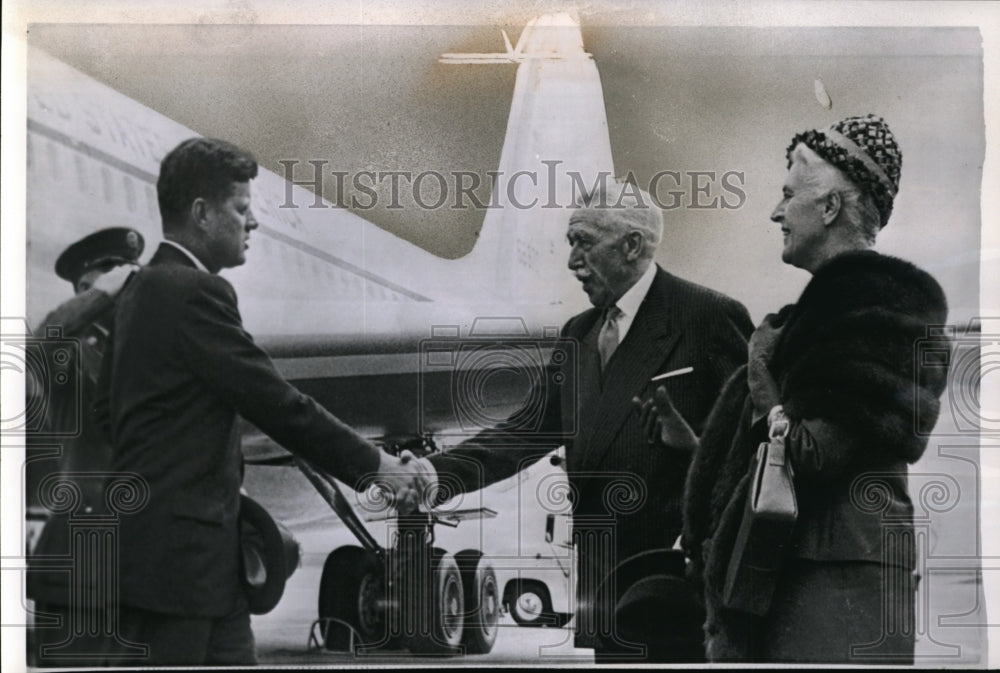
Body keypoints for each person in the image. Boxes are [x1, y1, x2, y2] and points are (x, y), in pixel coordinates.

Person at [97, 137, 420, 666]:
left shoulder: (137, 293)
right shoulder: (196, 293)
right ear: (202, 214)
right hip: (181, 572)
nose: (253, 223)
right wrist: (378, 466)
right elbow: (276, 402)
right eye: (241, 208)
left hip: (182, 565)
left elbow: (105, 417)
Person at [409, 181, 753, 661]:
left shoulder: (709, 317)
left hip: (680, 584)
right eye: (571, 243)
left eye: (583, 242)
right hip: (606, 583)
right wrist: (433, 473)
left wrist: (694, 449)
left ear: (632, 245)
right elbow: (526, 431)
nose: (571, 261)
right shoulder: (580, 333)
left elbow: (754, 450)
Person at [654, 115, 950, 663]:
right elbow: (783, 453)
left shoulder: (881, 310)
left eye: (788, 195)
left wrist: (761, 368)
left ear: (831, 208)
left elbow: (811, 454)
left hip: (833, 585)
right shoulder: (822, 316)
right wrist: (699, 449)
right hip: (808, 574)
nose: (775, 212)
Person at [26, 227, 143, 667]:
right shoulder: (67, 353)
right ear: (83, 287)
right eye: (109, 272)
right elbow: (38, 345)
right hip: (83, 558)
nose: (124, 279)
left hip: (148, 560)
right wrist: (103, 297)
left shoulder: (144, 347)